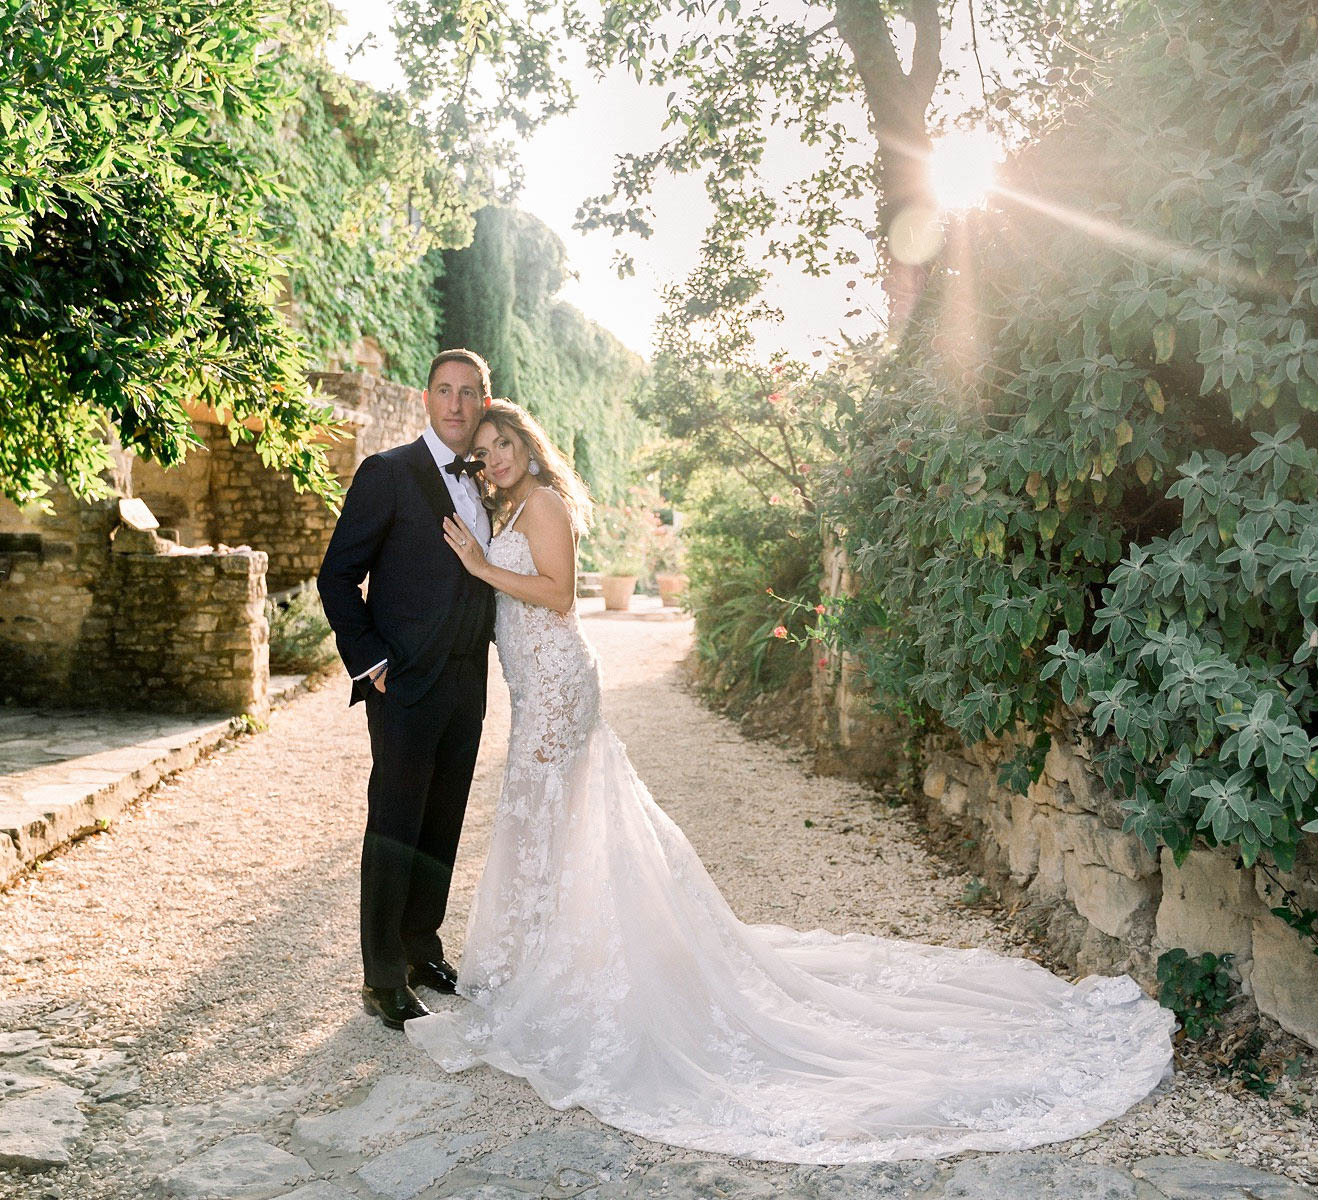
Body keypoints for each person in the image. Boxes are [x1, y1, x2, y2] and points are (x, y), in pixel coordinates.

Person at [406, 398, 1176, 1164]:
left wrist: (476, 563)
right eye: (486, 449)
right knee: (553, 824)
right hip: (536, 686)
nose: (497, 455)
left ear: (527, 445)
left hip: (559, 687)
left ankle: (566, 966)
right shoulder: (504, 505)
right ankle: (548, 955)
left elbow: (559, 594)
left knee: (548, 818)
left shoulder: (540, 501)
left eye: (505, 441)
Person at [315, 348, 498, 1031]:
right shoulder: (386, 473)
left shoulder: (488, 481)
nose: (456, 404)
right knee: (394, 825)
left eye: (469, 392)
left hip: (466, 682)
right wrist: (369, 659)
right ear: (426, 399)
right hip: (405, 684)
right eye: (444, 391)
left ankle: (422, 947)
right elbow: (337, 575)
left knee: (442, 820)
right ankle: (380, 976)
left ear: (485, 401)